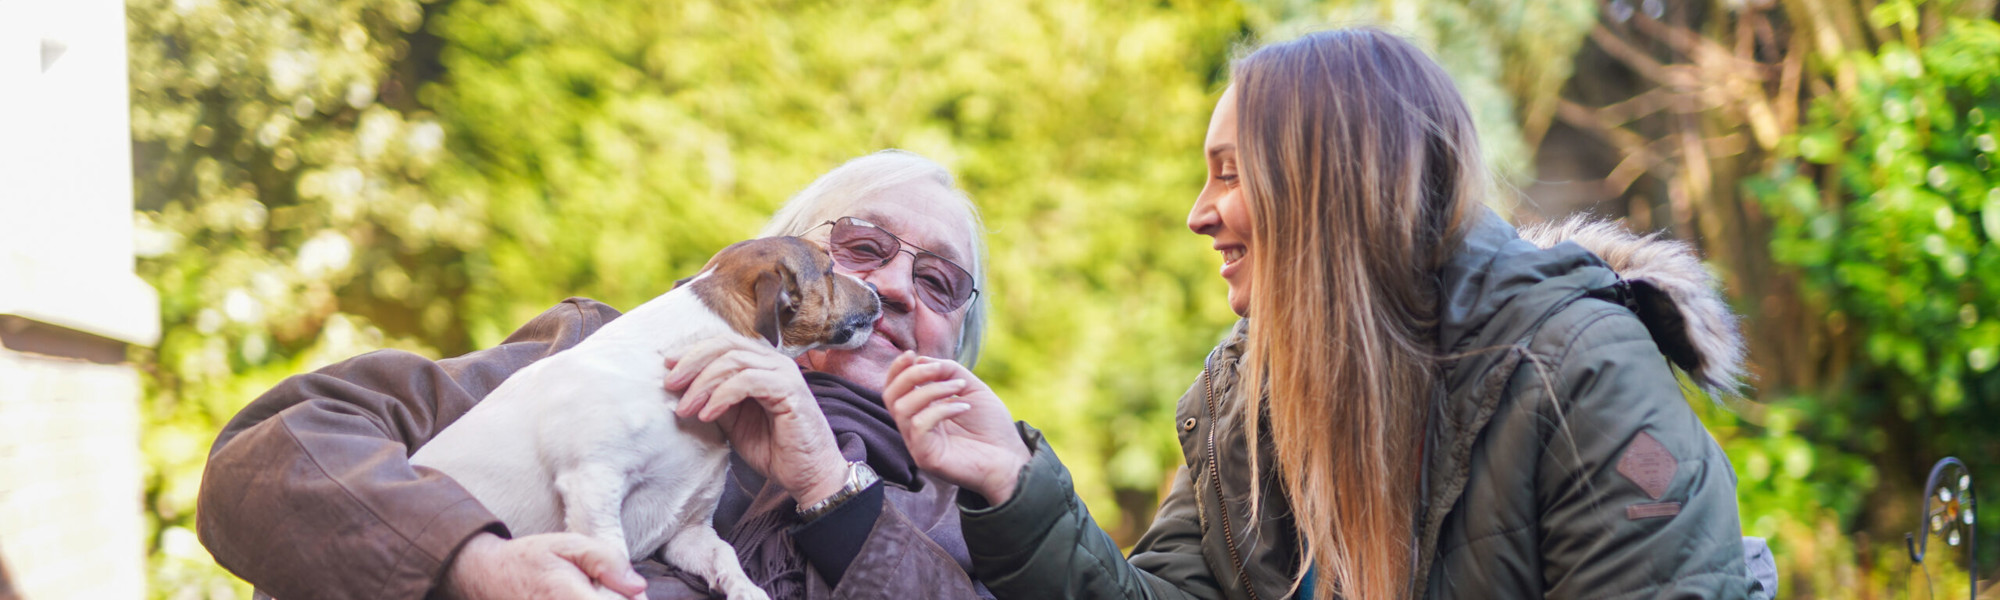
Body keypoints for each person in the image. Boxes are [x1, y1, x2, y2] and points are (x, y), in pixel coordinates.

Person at [882, 29, 1774, 599]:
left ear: (1333, 187)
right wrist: (1014, 483)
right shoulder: (1246, 390)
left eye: (1229, 173)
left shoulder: (1578, 371)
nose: (1198, 212)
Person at [195, 150, 996, 599]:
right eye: (860, 248)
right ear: (778, 267)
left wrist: (828, 484)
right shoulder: (592, 358)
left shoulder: (974, 516)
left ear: (958, 340)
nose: (890, 287)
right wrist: (472, 562)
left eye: (938, 283)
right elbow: (268, 453)